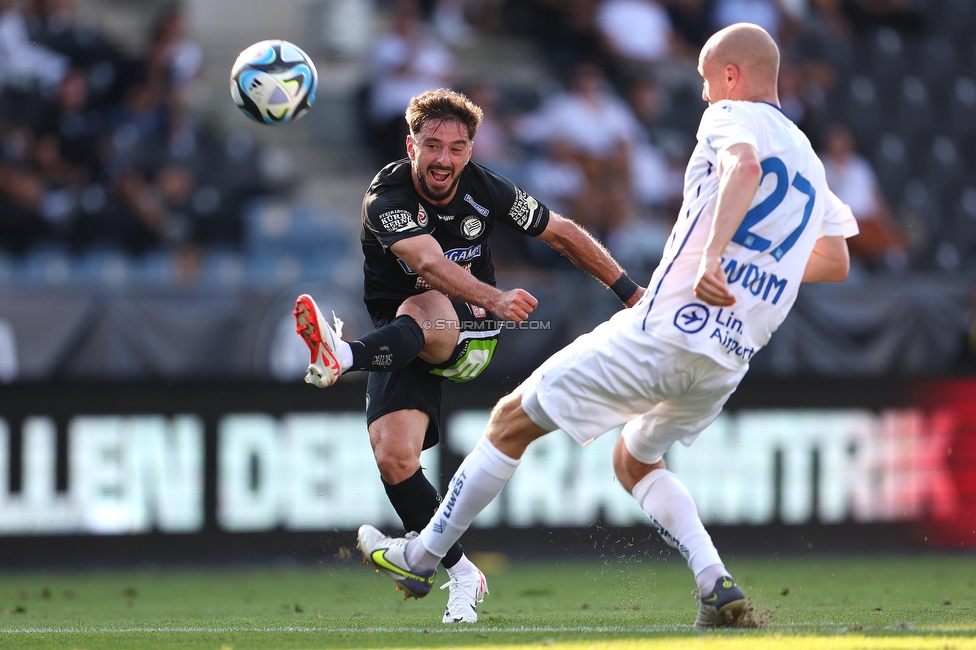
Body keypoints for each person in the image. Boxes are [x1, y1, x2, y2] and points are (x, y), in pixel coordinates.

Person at [356, 23, 859, 628]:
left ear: (731, 77)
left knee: (510, 421)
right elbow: (835, 260)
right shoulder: (808, 157)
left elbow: (744, 168)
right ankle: (714, 582)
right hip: (731, 354)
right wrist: (751, 270)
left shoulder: (732, 119)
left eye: (705, 82)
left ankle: (422, 555)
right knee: (636, 459)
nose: (702, 96)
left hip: (669, 327)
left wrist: (713, 257)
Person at [294, 88, 643, 623]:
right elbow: (428, 261)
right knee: (394, 457)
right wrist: (495, 295)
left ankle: (342, 355)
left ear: (471, 151)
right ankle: (460, 573)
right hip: (403, 336)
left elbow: (564, 234)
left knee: (429, 305)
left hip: (471, 331)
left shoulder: (486, 189)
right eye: (432, 146)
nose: (443, 159)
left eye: (456, 148)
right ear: (411, 145)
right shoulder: (384, 198)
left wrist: (631, 294)